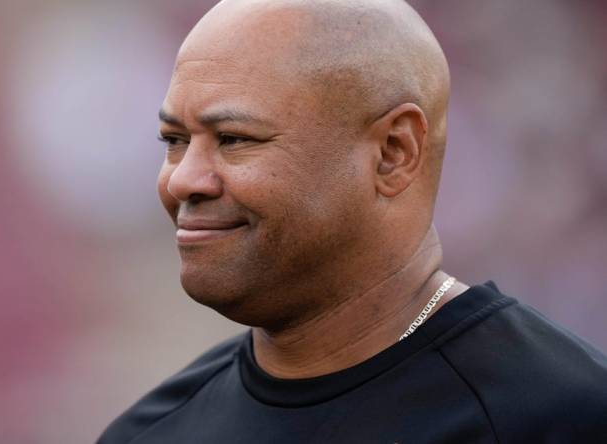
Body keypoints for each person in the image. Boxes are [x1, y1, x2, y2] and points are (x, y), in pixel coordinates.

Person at [98, 0, 607, 442]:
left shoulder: (561, 417)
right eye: (175, 141)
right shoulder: (149, 430)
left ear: (392, 152)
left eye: (234, 138)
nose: (183, 180)